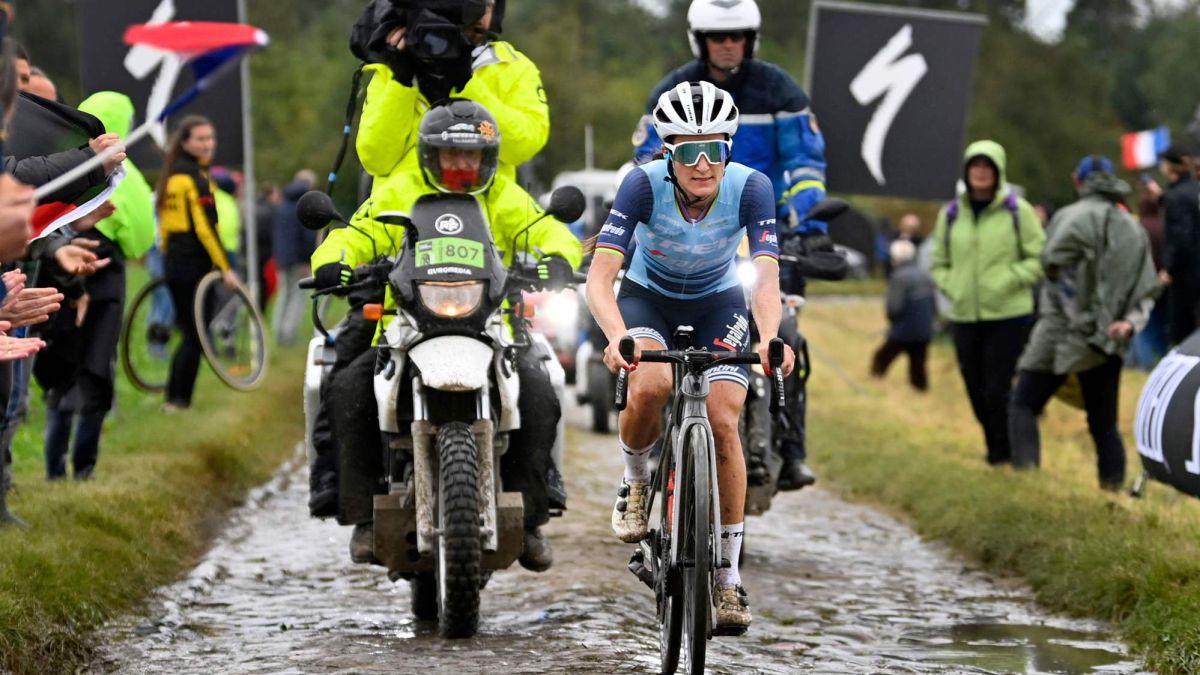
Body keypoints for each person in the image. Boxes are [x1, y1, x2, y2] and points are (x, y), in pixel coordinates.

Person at [311, 100, 581, 572]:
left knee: (538, 391)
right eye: (451, 154)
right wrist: (334, 262)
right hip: (405, 324)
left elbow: (550, 231)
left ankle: (530, 518)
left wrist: (559, 259)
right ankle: (364, 517)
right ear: (429, 155)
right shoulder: (399, 189)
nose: (461, 165)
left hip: (491, 324)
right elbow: (353, 235)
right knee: (350, 388)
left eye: (471, 155)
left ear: (488, 158)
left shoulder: (504, 195)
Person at [589, 81, 795, 633]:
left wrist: (769, 337)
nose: (703, 164)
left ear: (729, 150)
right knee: (652, 386)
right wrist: (617, 335)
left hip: (719, 301)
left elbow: (766, 277)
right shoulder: (640, 185)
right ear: (668, 153)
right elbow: (601, 278)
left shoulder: (752, 188)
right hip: (647, 299)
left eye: (714, 150)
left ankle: (727, 578)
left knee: (724, 421)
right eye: (689, 152)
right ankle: (636, 481)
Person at [634, 0, 828, 488]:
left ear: (750, 39)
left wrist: (808, 224)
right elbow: (647, 162)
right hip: (696, 233)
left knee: (786, 330)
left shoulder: (780, 90)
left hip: (764, 229)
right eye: (717, 37)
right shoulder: (672, 91)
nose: (727, 45)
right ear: (699, 41)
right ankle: (656, 442)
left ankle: (792, 447)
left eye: (736, 36)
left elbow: (805, 164)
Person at [1008, 156, 1158, 491]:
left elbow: (1051, 269)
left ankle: (1025, 484)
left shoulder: (1068, 217)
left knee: (1023, 403)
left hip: (1059, 333)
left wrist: (1076, 318)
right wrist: (1128, 324)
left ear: (1079, 181)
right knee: (1103, 424)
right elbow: (1145, 288)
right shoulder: (1133, 227)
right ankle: (1112, 493)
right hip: (1109, 338)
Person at [37, 91, 155, 481]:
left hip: (57, 273)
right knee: (96, 370)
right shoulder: (126, 174)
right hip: (104, 279)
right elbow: (141, 237)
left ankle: (54, 470)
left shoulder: (62, 163)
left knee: (61, 372)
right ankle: (83, 468)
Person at [355, 0, 547, 193]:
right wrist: (401, 80)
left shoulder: (512, 67)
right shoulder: (393, 67)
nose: (479, 14)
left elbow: (522, 148)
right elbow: (376, 160)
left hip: (486, 208)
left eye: (488, 5)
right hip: (402, 208)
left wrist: (466, 84)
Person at [931, 140, 1045, 466]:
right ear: (966, 171)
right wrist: (953, 286)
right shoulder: (951, 214)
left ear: (998, 172)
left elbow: (1039, 257)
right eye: (975, 165)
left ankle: (1002, 455)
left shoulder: (1018, 211)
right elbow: (938, 262)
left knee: (998, 389)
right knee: (975, 389)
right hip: (965, 315)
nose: (980, 172)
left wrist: (1009, 279)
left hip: (1009, 314)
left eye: (987, 166)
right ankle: (996, 447)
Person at [155, 115, 238, 411]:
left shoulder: (171, 175)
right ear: (185, 142)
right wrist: (225, 268)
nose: (208, 144)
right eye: (201, 139)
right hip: (193, 266)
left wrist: (167, 259)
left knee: (190, 333)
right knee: (195, 335)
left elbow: (165, 229)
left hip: (175, 263)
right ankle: (178, 401)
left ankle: (175, 398)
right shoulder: (194, 178)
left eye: (210, 138)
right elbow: (205, 228)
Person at [871, 239, 935, 391]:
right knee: (918, 363)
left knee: (881, 358)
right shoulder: (924, 275)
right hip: (924, 331)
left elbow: (894, 307)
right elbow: (934, 304)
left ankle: (875, 381)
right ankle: (920, 389)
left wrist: (893, 323)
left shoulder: (898, 277)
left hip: (903, 331)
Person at [1154, 145, 1200, 346]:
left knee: (1184, 334)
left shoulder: (1177, 196)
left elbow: (1181, 236)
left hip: (1186, 275)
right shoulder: (1195, 190)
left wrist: (1169, 268)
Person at [271, 169, 317, 346]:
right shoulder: (305, 207)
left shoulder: (282, 205)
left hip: (282, 258)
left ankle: (278, 330)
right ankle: (288, 333)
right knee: (298, 296)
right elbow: (308, 237)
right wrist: (308, 259)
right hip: (299, 260)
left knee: (284, 294)